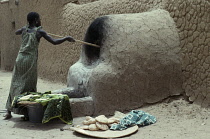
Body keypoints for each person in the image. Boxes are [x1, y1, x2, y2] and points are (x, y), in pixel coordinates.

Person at [4, 12, 75, 119]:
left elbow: (16, 32)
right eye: (39, 19)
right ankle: (26, 113)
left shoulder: (24, 29)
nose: (40, 20)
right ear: (36, 20)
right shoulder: (39, 31)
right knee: (27, 86)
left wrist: (25, 28)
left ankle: (9, 111)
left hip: (20, 59)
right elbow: (54, 42)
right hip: (30, 61)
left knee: (15, 84)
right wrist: (66, 38)